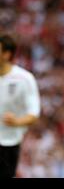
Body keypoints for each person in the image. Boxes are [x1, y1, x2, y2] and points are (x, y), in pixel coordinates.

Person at [0, 35, 40, 178]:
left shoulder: (24, 79)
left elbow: (33, 114)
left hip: (8, 143)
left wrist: (16, 122)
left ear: (6, 54)